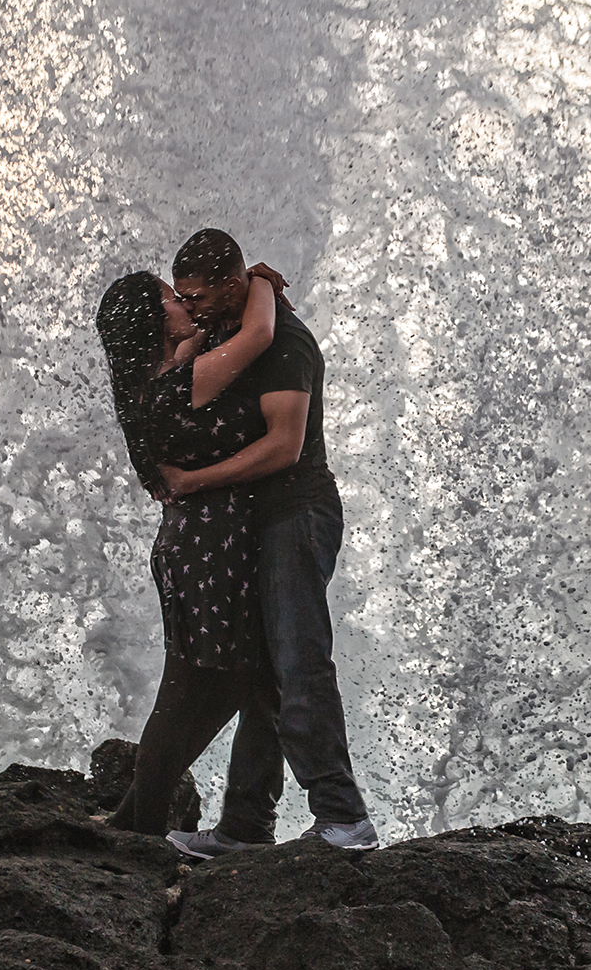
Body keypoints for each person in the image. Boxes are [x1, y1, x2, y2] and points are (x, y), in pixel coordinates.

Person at [158, 228, 378, 853]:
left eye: (200, 296)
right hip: (258, 524)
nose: (191, 307)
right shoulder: (234, 327)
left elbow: (284, 447)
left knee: (300, 662)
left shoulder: (283, 342)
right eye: (183, 297)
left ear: (232, 286)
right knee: (263, 677)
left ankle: (344, 816)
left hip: (298, 514)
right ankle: (246, 825)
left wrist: (195, 481)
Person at [92, 267, 278, 836]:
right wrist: (260, 284)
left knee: (203, 684)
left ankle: (139, 815)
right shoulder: (176, 385)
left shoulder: (151, 381)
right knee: (221, 685)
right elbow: (259, 336)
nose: (185, 306)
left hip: (192, 548)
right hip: (209, 552)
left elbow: (201, 341)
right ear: (153, 322)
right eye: (173, 300)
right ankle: (146, 820)